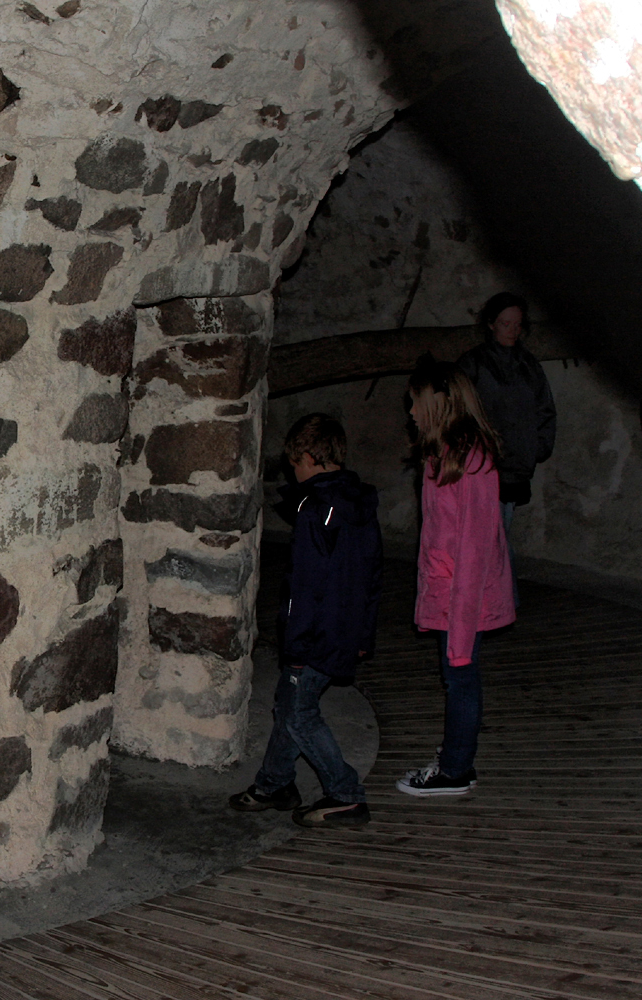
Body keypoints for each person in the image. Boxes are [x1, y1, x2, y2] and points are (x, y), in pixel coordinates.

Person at [230, 414, 381, 828]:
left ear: (311, 458)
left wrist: (294, 647)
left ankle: (345, 793)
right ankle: (274, 783)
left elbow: (304, 588)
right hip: (343, 629)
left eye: (295, 464)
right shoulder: (359, 504)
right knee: (289, 705)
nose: (293, 473)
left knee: (300, 714)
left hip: (316, 634)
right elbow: (372, 576)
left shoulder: (317, 511)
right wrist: (363, 634)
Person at [398, 361, 515, 797]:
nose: (410, 410)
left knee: (461, 676)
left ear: (439, 402)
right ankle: (454, 759)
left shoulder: (473, 461)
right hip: (447, 593)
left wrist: (460, 633)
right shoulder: (443, 455)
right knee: (458, 679)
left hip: (465, 599)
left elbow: (474, 553)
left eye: (415, 401)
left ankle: (456, 769)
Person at [454, 293, 556, 536]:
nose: (512, 330)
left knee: (500, 532)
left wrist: (536, 447)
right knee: (486, 536)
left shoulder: (528, 365)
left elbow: (545, 409)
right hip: (482, 464)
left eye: (517, 325)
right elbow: (457, 408)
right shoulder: (474, 363)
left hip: (516, 464)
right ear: (491, 324)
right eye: (505, 324)